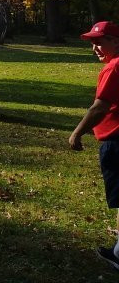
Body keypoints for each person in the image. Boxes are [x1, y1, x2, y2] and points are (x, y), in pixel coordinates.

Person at [70, 20, 119, 272]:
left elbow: (100, 106)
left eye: (100, 42)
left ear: (116, 41)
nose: (95, 48)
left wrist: (77, 132)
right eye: (92, 43)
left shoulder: (114, 68)